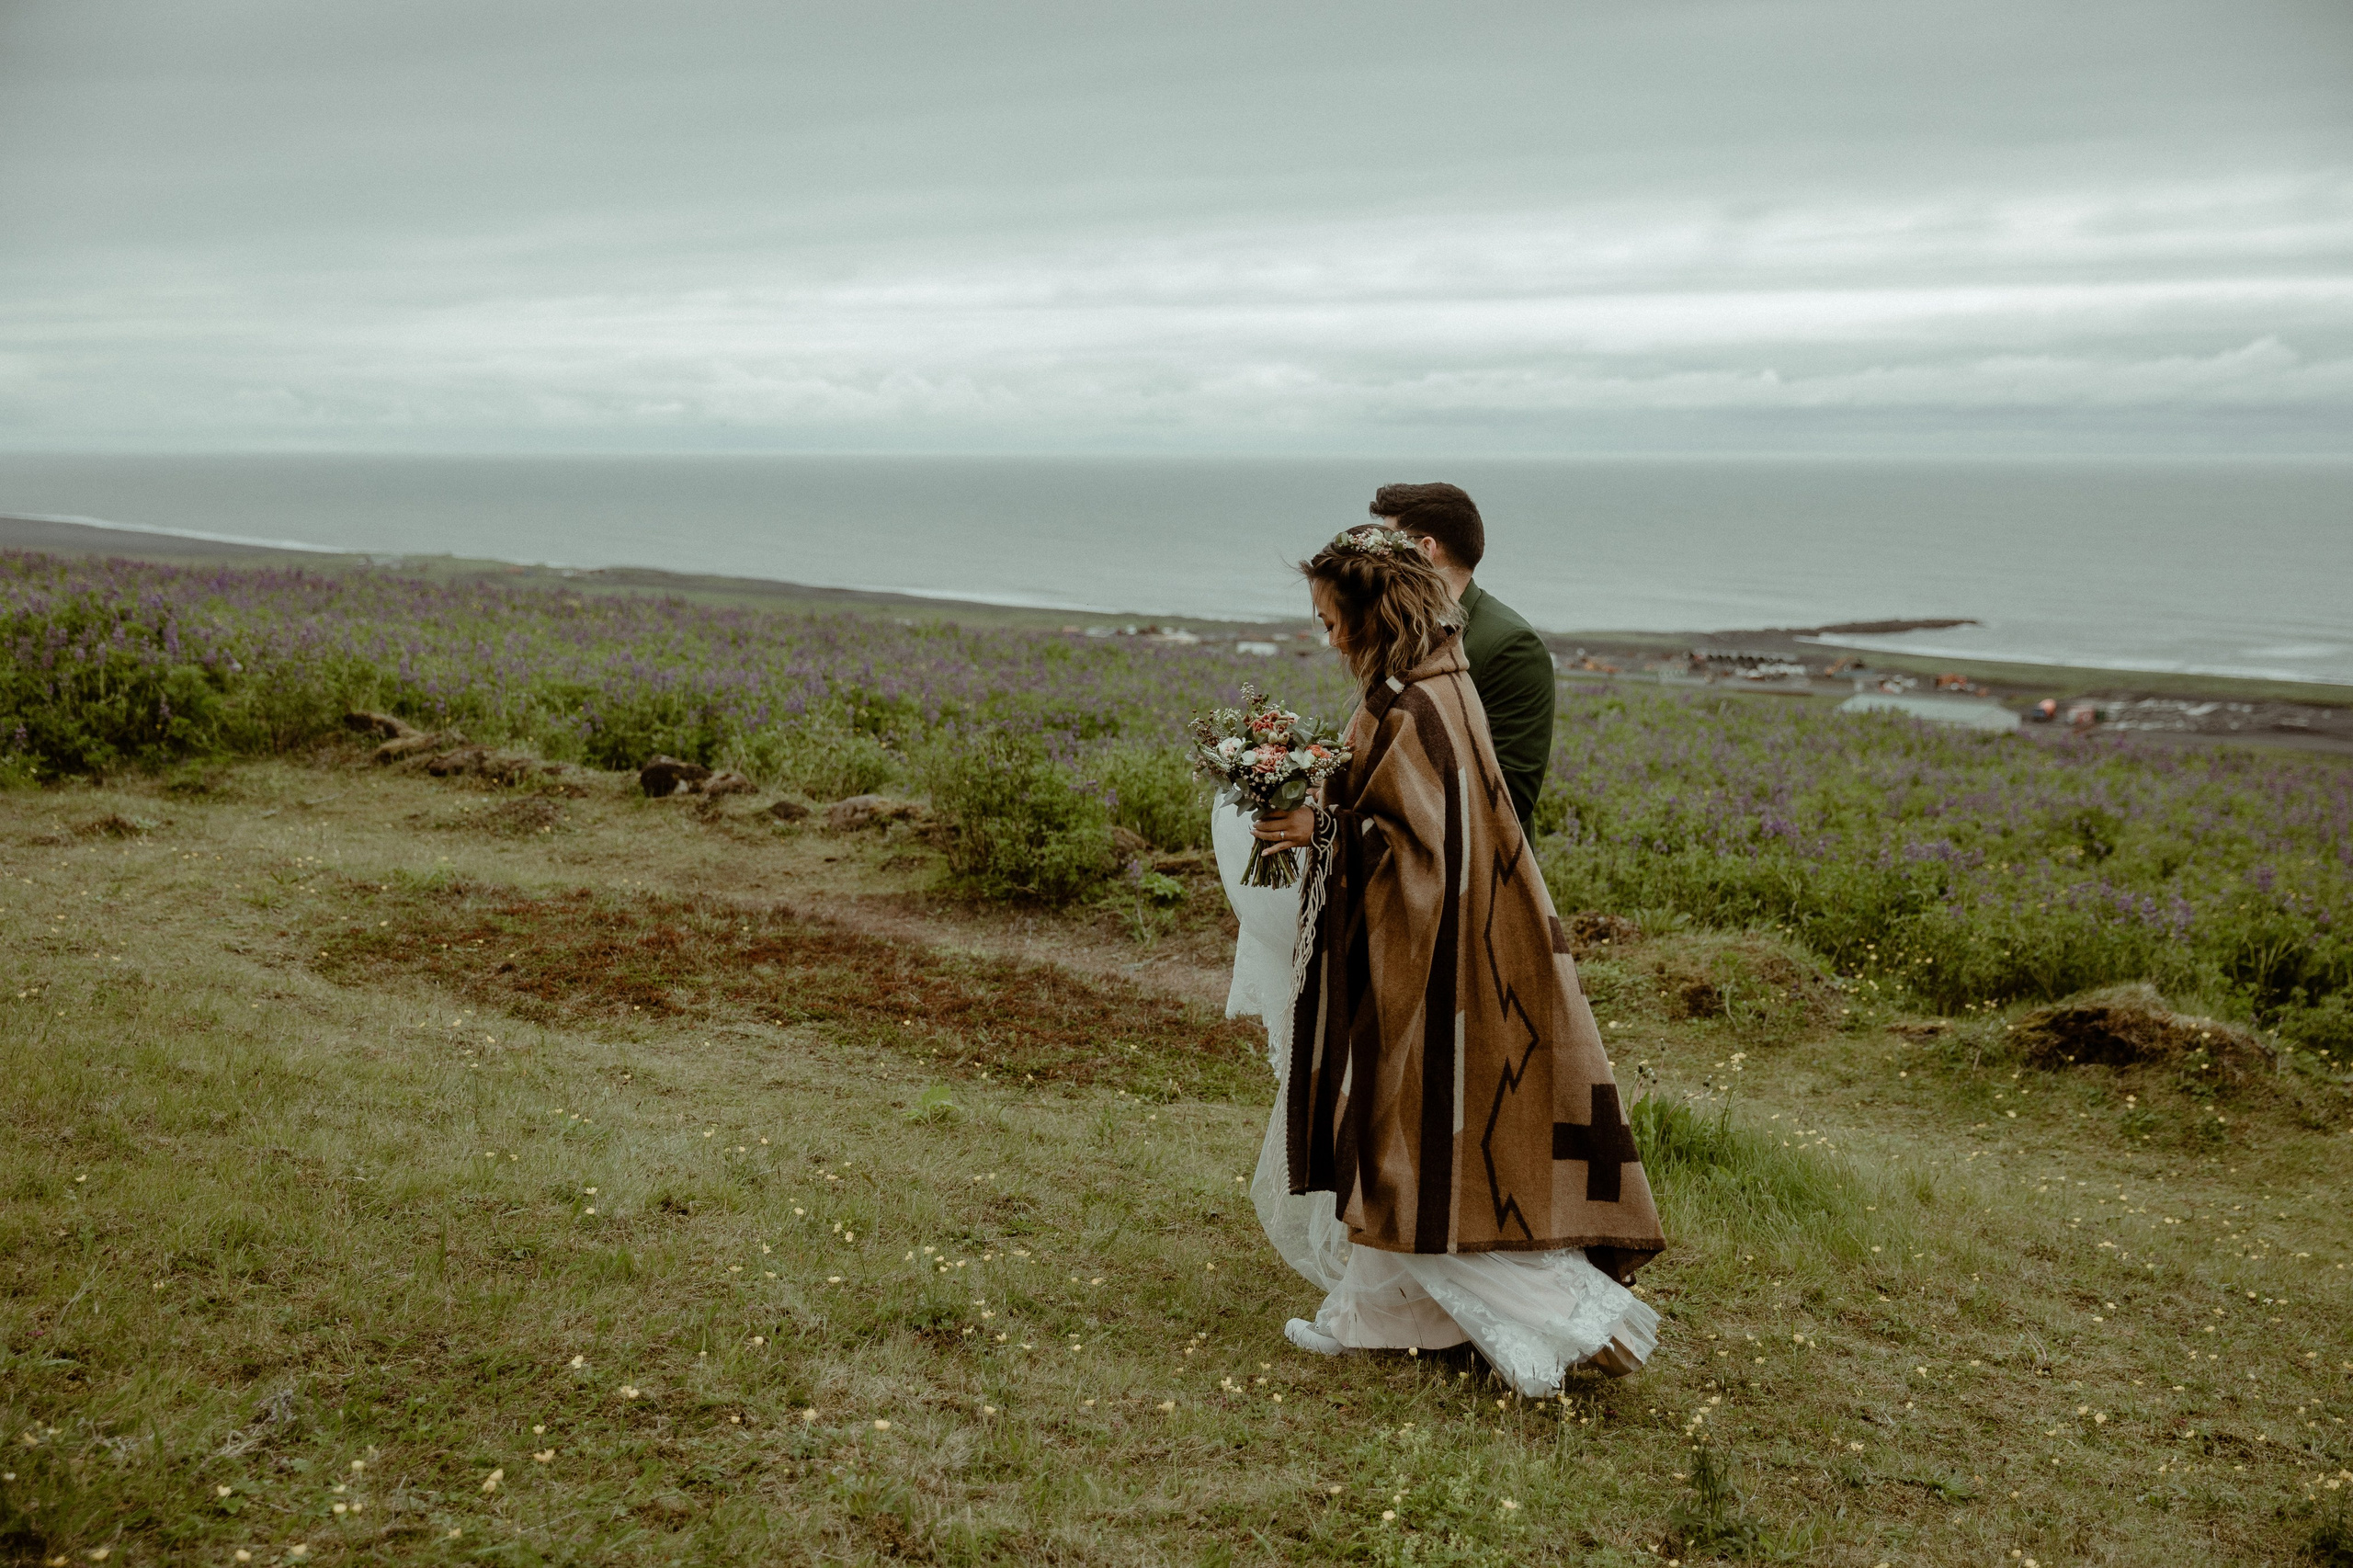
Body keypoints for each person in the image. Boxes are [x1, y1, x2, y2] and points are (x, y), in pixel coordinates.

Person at [1219, 525, 1663, 1397]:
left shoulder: (1418, 704)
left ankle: (1580, 1324)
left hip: (1433, 960)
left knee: (1408, 1142)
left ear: (1369, 611)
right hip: (1446, 946)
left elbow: (1423, 847)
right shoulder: (1425, 684)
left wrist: (1323, 826)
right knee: (1393, 1141)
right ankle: (1374, 1318)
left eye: (1329, 618)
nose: (1327, 635)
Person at [1366, 483, 1554, 831]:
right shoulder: (1399, 632)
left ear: (1425, 550)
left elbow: (1513, 793)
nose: (1378, 560)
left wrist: (1372, 805)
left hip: (1474, 871)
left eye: (1386, 546)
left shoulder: (1511, 645)